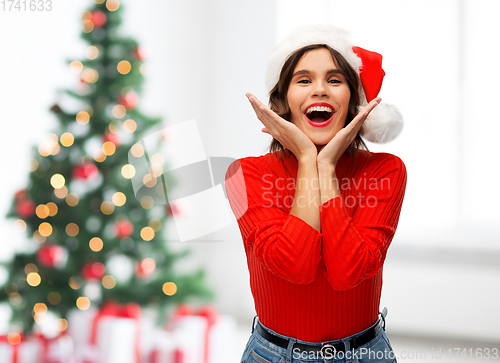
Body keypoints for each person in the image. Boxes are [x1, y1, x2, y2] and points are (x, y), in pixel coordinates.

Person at [225, 24, 407, 363]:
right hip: (272, 355)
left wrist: (326, 169)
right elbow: (296, 266)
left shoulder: (386, 170)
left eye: (335, 80)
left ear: (355, 102)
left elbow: (347, 273)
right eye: (304, 80)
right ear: (281, 101)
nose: (320, 90)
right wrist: (309, 159)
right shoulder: (243, 174)